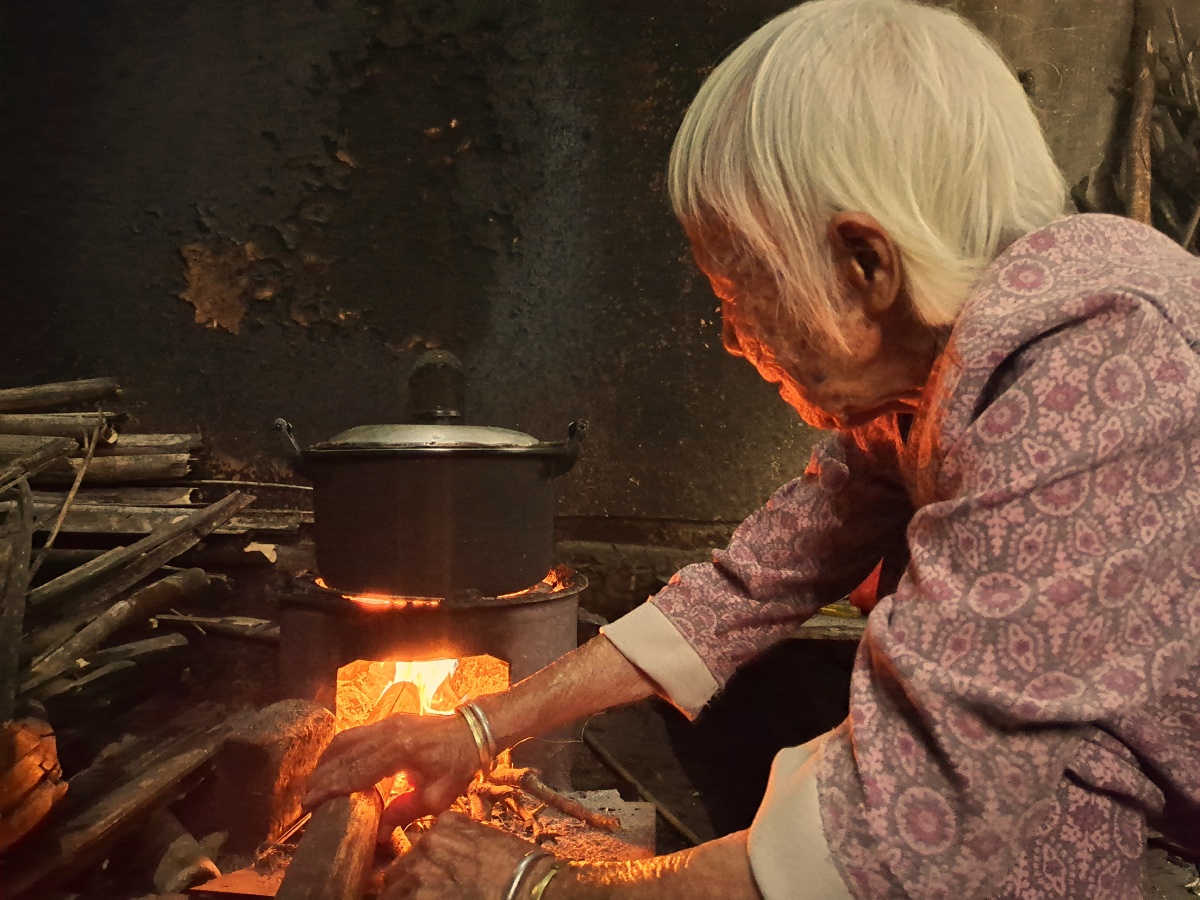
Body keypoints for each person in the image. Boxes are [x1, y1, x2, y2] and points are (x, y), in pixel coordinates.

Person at [304, 0, 1200, 896]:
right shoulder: (946, 371)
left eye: (739, 292)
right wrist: (476, 727)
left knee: (1034, 788)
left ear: (865, 264)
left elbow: (896, 838)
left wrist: (532, 886)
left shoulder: (1086, 368)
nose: (734, 339)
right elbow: (754, 580)